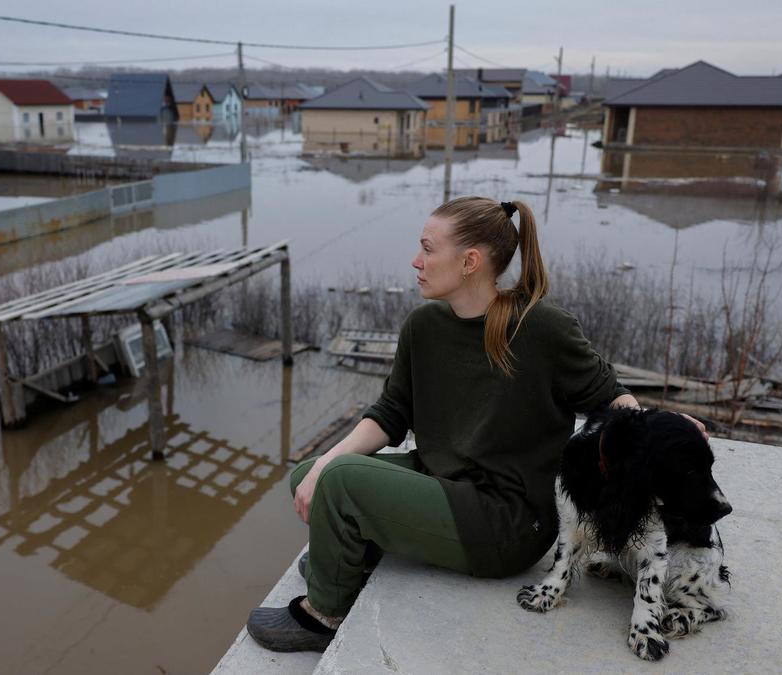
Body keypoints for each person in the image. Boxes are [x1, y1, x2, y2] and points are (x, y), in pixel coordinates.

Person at [246, 196, 703, 653]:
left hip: (506, 522)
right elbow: (390, 414)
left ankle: (323, 612)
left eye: (427, 249)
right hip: (441, 484)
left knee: (340, 482)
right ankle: (349, 556)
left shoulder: (541, 328)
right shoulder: (423, 326)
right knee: (311, 475)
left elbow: (613, 400)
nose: (415, 261)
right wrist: (326, 461)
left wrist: (664, 430)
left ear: (469, 261)